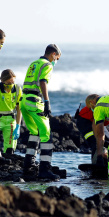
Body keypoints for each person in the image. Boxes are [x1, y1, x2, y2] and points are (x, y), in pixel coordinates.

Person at [20, 44, 61, 180]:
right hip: (34, 102)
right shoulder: (47, 64)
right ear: (53, 54)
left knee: (35, 132)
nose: (56, 61)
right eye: (57, 58)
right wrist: (47, 102)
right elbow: (43, 82)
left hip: (24, 101)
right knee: (47, 136)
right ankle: (44, 169)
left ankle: (28, 165)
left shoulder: (34, 63)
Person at [0, 69, 22, 155]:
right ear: (2, 81)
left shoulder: (17, 89)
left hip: (10, 120)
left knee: (10, 150)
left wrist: (18, 126)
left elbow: (19, 109)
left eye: (12, 82)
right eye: (8, 83)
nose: (11, 85)